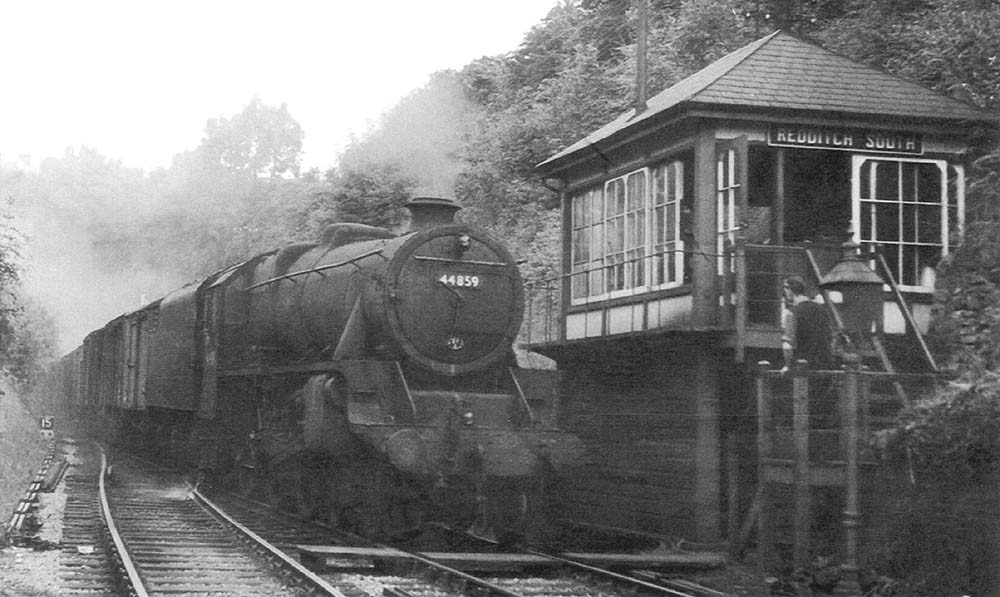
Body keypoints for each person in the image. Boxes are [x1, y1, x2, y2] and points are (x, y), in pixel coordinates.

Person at [780, 276, 832, 373]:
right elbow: (830, 338)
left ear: (789, 290)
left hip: (803, 368)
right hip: (826, 368)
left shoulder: (792, 313)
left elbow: (787, 346)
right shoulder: (822, 310)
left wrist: (788, 366)